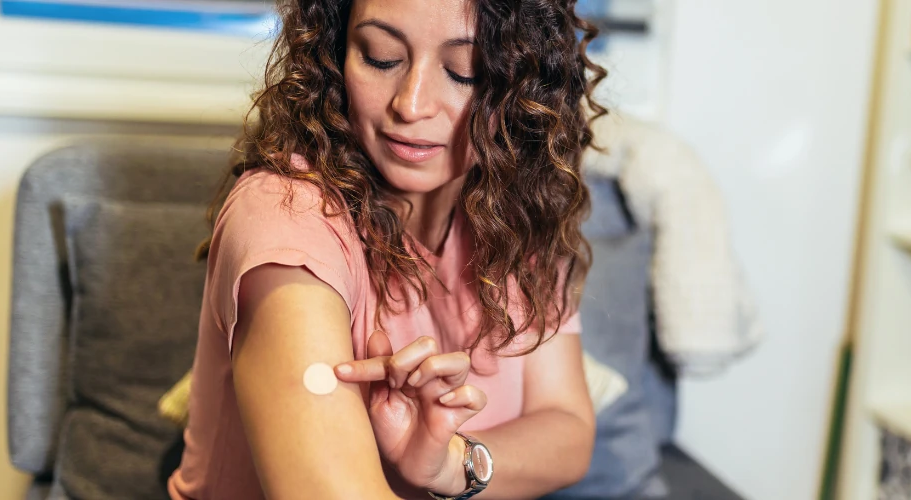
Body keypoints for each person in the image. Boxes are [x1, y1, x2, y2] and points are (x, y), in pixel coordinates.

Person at [166, 0, 608, 498]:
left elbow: (568, 429)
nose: (411, 104)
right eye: (380, 57)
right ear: (335, 54)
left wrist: (447, 464)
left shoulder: (516, 214)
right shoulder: (285, 215)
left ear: (526, 87)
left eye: (465, 72)